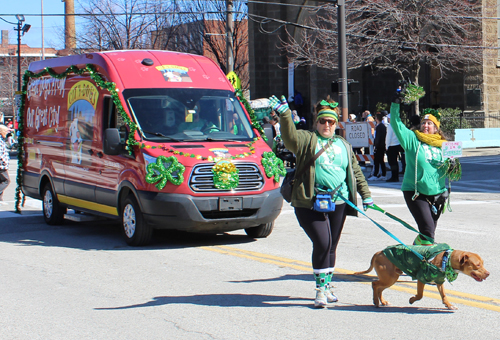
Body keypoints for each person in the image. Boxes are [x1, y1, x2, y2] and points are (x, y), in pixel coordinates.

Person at [268, 95, 373, 308]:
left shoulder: (343, 144)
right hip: (310, 200)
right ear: (316, 123)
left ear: (336, 125)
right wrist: (286, 115)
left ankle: (327, 286)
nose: (327, 125)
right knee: (323, 243)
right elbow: (289, 138)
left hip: (339, 201)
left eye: (331, 122)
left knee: (332, 246)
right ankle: (319, 290)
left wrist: (366, 195)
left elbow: (354, 171)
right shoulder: (308, 140)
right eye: (323, 121)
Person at [391, 93, 450, 246]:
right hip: (416, 192)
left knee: (428, 233)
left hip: (437, 194)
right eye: (424, 122)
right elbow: (396, 123)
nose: (425, 125)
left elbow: (452, 171)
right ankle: (425, 261)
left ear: (436, 128)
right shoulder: (412, 140)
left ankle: (415, 258)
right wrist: (396, 104)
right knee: (428, 230)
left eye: (429, 123)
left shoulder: (445, 145)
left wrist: (454, 166)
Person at [367, 113, 387, 180]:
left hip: (379, 146)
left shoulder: (379, 127)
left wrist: (375, 146)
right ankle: (383, 174)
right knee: (381, 161)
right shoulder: (383, 126)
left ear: (377, 119)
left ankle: (375, 174)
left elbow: (377, 137)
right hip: (382, 145)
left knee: (377, 161)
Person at [385, 114, 404, 182]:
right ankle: (396, 176)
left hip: (391, 145)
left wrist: (386, 146)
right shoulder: (398, 125)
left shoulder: (390, 126)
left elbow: (388, 137)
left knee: (392, 162)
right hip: (398, 144)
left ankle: (394, 177)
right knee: (396, 162)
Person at [0, 124, 10, 204]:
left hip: (2, 165)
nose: (7, 133)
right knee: (6, 181)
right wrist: (4, 163)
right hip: (1, 165)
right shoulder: (0, 140)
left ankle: (0, 198)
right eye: (6, 131)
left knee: (1, 180)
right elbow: (1, 154)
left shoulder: (2, 139)